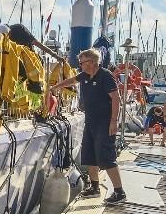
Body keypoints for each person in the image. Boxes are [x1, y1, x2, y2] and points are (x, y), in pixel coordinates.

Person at [50, 49, 126, 203]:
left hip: (104, 123)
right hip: (90, 121)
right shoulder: (85, 75)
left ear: (91, 62)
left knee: (106, 157)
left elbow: (116, 99)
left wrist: (113, 121)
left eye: (82, 62)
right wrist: (55, 87)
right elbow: (72, 80)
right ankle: (94, 187)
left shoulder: (106, 76)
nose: (80, 65)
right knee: (90, 155)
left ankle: (119, 192)